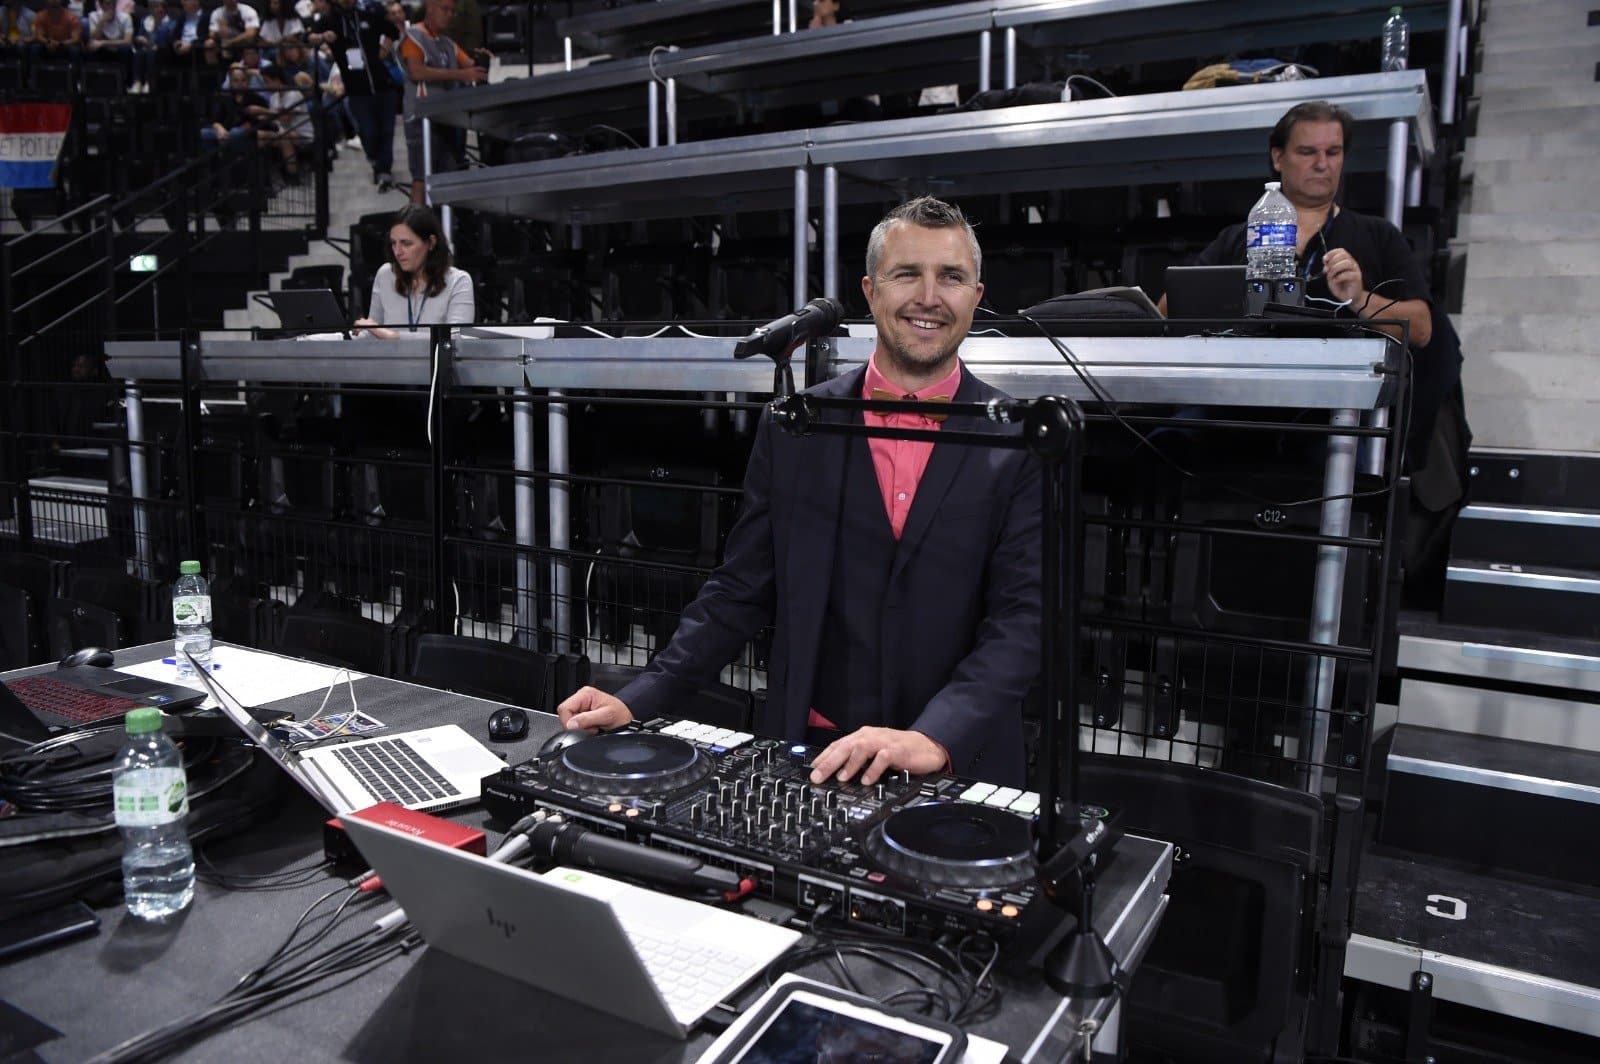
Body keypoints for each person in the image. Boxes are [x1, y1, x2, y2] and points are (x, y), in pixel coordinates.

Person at [556, 197, 1042, 788]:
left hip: (960, 764)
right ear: (869, 290)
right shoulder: (795, 424)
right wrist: (641, 697)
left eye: (951, 277)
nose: (929, 296)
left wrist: (934, 735)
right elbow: (741, 587)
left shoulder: (1023, 437)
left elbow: (1023, 621)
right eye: (906, 274)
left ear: (977, 294)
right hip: (815, 755)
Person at [1162, 100, 1432, 348]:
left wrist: (1359, 298)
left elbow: (1421, 329)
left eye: (1333, 152)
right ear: (1278, 158)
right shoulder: (1237, 238)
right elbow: (1166, 310)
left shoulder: (1378, 234)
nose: (1322, 164)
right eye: (1307, 152)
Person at [399, 0, 485, 203]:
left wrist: (481, 61)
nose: (449, 15)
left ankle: (448, 224)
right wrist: (460, 74)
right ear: (430, 8)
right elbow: (416, 71)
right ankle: (415, 225)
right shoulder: (413, 37)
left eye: (452, 12)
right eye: (444, 10)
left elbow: (470, 65)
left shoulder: (447, 43)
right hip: (421, 118)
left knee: (449, 171)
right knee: (421, 176)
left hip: (446, 118)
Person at [311, 0, 400, 189]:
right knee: (367, 130)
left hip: (382, 83)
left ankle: (384, 170)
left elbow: (393, 31)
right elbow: (307, 36)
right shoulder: (329, 20)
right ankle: (375, 159)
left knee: (387, 130)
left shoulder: (368, 13)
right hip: (356, 88)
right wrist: (321, 38)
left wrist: (384, 49)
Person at [353, 203, 474, 336]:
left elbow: (454, 340)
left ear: (431, 243)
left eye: (406, 243)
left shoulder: (458, 281)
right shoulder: (385, 274)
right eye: (393, 243)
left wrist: (393, 337)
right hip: (390, 357)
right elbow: (374, 334)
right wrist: (344, 336)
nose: (397, 252)